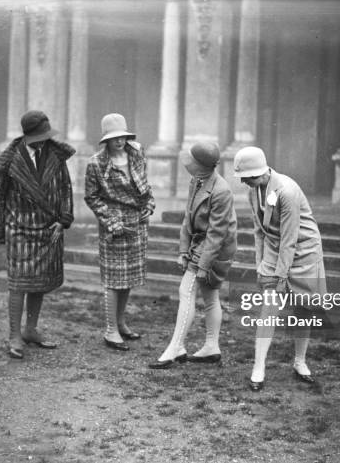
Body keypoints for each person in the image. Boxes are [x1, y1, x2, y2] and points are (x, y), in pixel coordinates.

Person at [233, 146, 326, 390]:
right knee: (269, 307)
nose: (244, 182)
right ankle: (258, 367)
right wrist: (261, 266)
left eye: (247, 177)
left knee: (304, 308)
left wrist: (281, 275)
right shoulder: (253, 192)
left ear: (262, 172)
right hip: (275, 249)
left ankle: (300, 361)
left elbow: (290, 239)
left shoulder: (287, 191)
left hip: (303, 249)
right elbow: (258, 231)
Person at [0, 110, 75, 359]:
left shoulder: (56, 156)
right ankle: (14, 335)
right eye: (40, 136)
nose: (45, 140)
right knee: (18, 282)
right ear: (28, 136)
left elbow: (65, 190)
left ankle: (31, 330)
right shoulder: (10, 160)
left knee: (40, 281)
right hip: (20, 227)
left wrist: (63, 220)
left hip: (49, 227)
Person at [149, 142, 237, 369]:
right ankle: (211, 347)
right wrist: (182, 251)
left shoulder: (221, 191)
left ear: (200, 165)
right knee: (209, 296)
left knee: (186, 291)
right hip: (200, 242)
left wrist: (203, 266)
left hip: (215, 249)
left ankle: (176, 347)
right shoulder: (197, 181)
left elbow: (216, 235)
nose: (186, 162)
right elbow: (188, 218)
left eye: (192, 160)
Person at [84, 113, 155, 351]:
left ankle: (121, 322)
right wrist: (110, 222)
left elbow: (146, 184)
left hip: (136, 222)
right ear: (105, 139)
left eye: (123, 137)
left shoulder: (136, 153)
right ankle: (110, 329)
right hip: (114, 225)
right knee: (114, 279)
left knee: (128, 277)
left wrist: (149, 205)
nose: (120, 142)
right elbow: (92, 197)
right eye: (114, 138)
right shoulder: (96, 163)